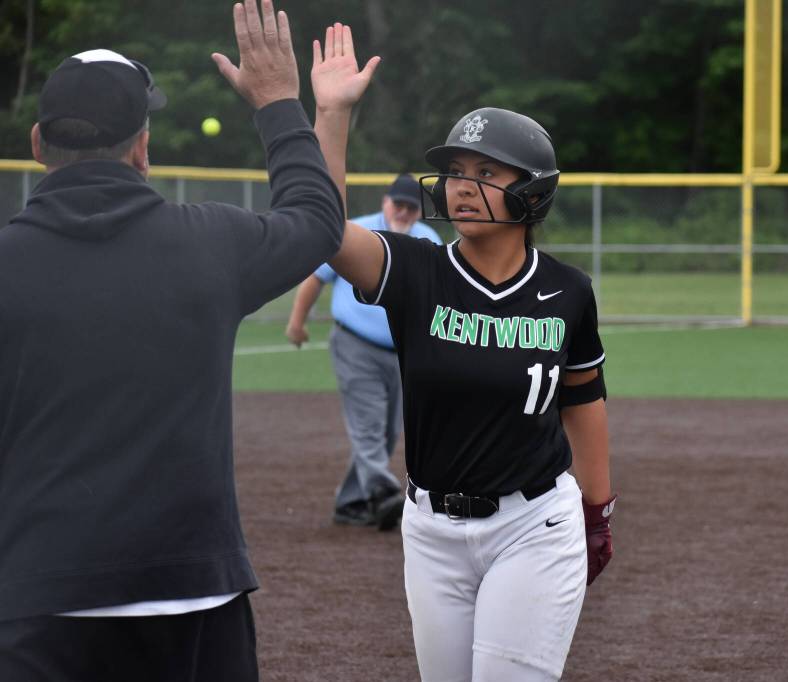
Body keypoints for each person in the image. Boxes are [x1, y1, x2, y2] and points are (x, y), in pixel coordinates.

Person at [0, 1, 362, 679]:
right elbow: (317, 218)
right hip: (194, 601)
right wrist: (280, 101)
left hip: (34, 604)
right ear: (142, 146)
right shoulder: (211, 244)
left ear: (37, 145)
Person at [308, 22, 616, 681]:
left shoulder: (567, 291)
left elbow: (583, 399)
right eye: (454, 172)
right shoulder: (418, 271)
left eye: (486, 172)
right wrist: (332, 116)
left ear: (533, 189)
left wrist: (598, 510)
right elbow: (328, 235)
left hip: (533, 526)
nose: (462, 185)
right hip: (430, 532)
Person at [285, 174, 442, 531]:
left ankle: (352, 502)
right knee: (369, 424)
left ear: (418, 211)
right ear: (385, 202)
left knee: (387, 431)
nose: (403, 211)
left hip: (403, 353)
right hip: (355, 344)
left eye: (411, 207)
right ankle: (385, 493)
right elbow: (317, 277)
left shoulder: (427, 240)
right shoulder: (356, 233)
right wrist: (297, 322)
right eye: (398, 204)